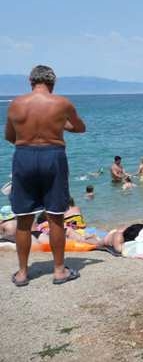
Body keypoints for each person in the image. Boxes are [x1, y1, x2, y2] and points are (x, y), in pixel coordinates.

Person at [4, 65, 86, 286]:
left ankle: (22, 273)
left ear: (31, 82)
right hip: (53, 155)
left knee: (23, 218)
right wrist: (60, 125)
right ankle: (59, 271)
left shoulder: (16, 104)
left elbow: (10, 136)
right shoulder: (62, 103)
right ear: (53, 82)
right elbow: (80, 128)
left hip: (24, 156)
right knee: (55, 215)